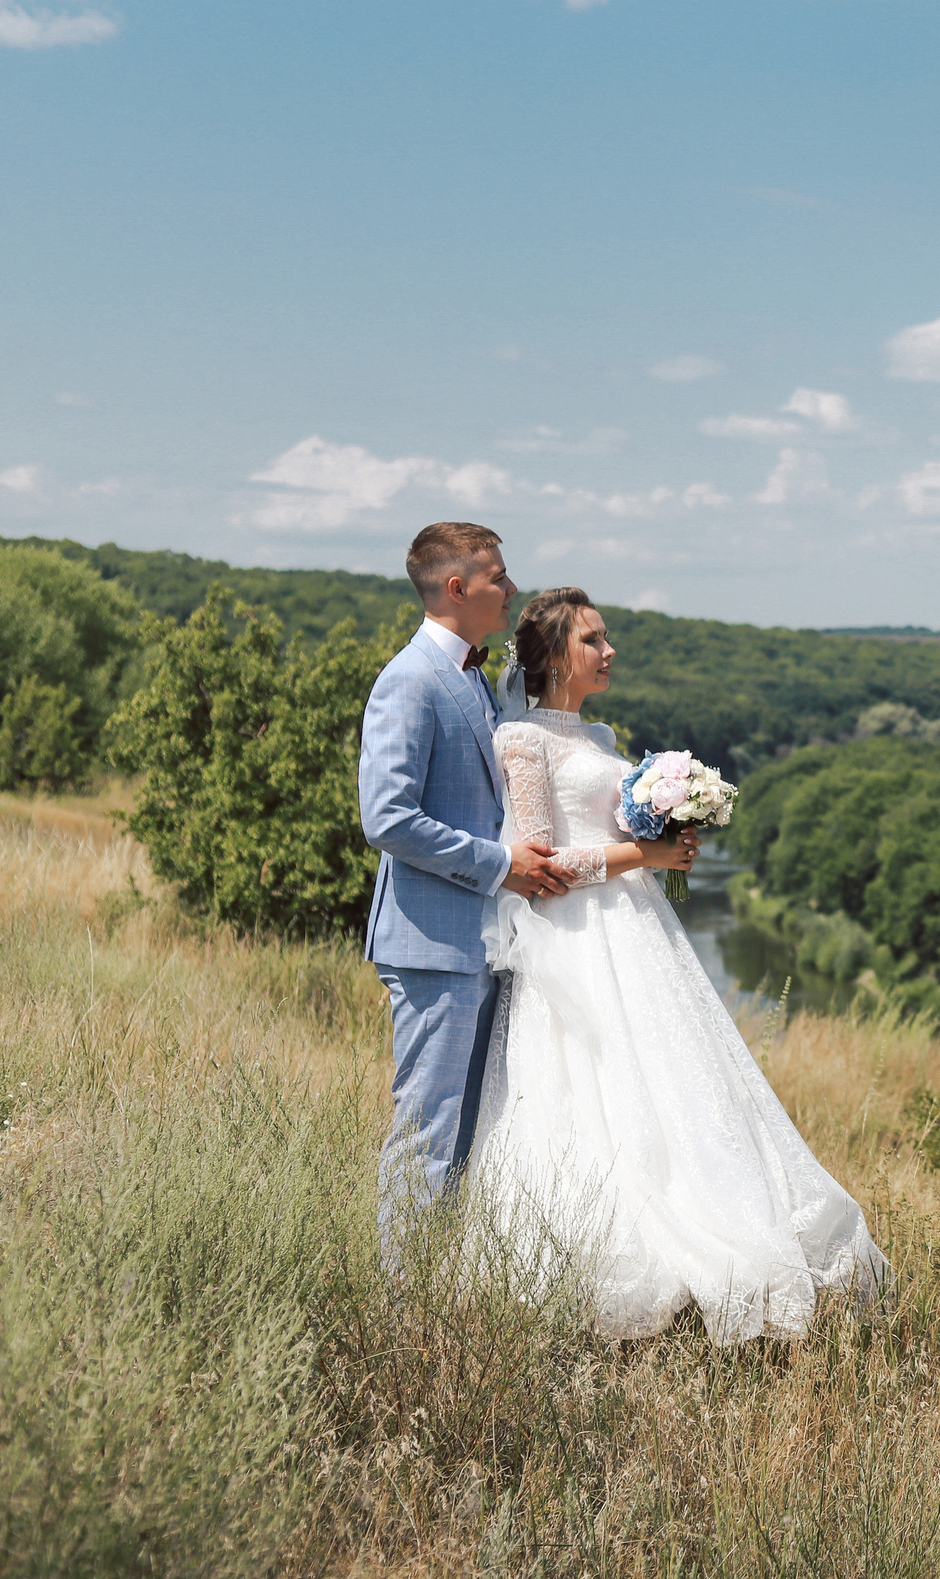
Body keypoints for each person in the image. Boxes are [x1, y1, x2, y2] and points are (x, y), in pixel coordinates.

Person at [468, 586, 886, 1343]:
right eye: (594, 639)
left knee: (673, 1083)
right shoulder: (520, 741)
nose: (609, 650)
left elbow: (610, 829)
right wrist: (646, 852)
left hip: (634, 926)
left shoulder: (596, 731)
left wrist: (667, 830)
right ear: (558, 654)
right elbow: (542, 858)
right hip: (574, 939)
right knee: (587, 1092)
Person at [359, 522, 573, 1252]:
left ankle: (439, 1291)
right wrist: (498, 863)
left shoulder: (471, 677)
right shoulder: (409, 679)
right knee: (428, 1130)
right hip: (431, 943)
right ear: (457, 587)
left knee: (467, 1135)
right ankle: (399, 1309)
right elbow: (387, 817)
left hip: (481, 943)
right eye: (497, 577)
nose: (510, 588)